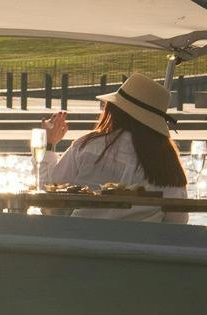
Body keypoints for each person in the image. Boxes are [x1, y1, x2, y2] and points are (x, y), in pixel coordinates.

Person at [36, 74, 189, 222]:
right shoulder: (168, 165)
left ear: (114, 110)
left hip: (84, 240)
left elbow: (48, 198)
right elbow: (178, 222)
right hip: (141, 245)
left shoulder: (88, 146)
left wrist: (49, 145)